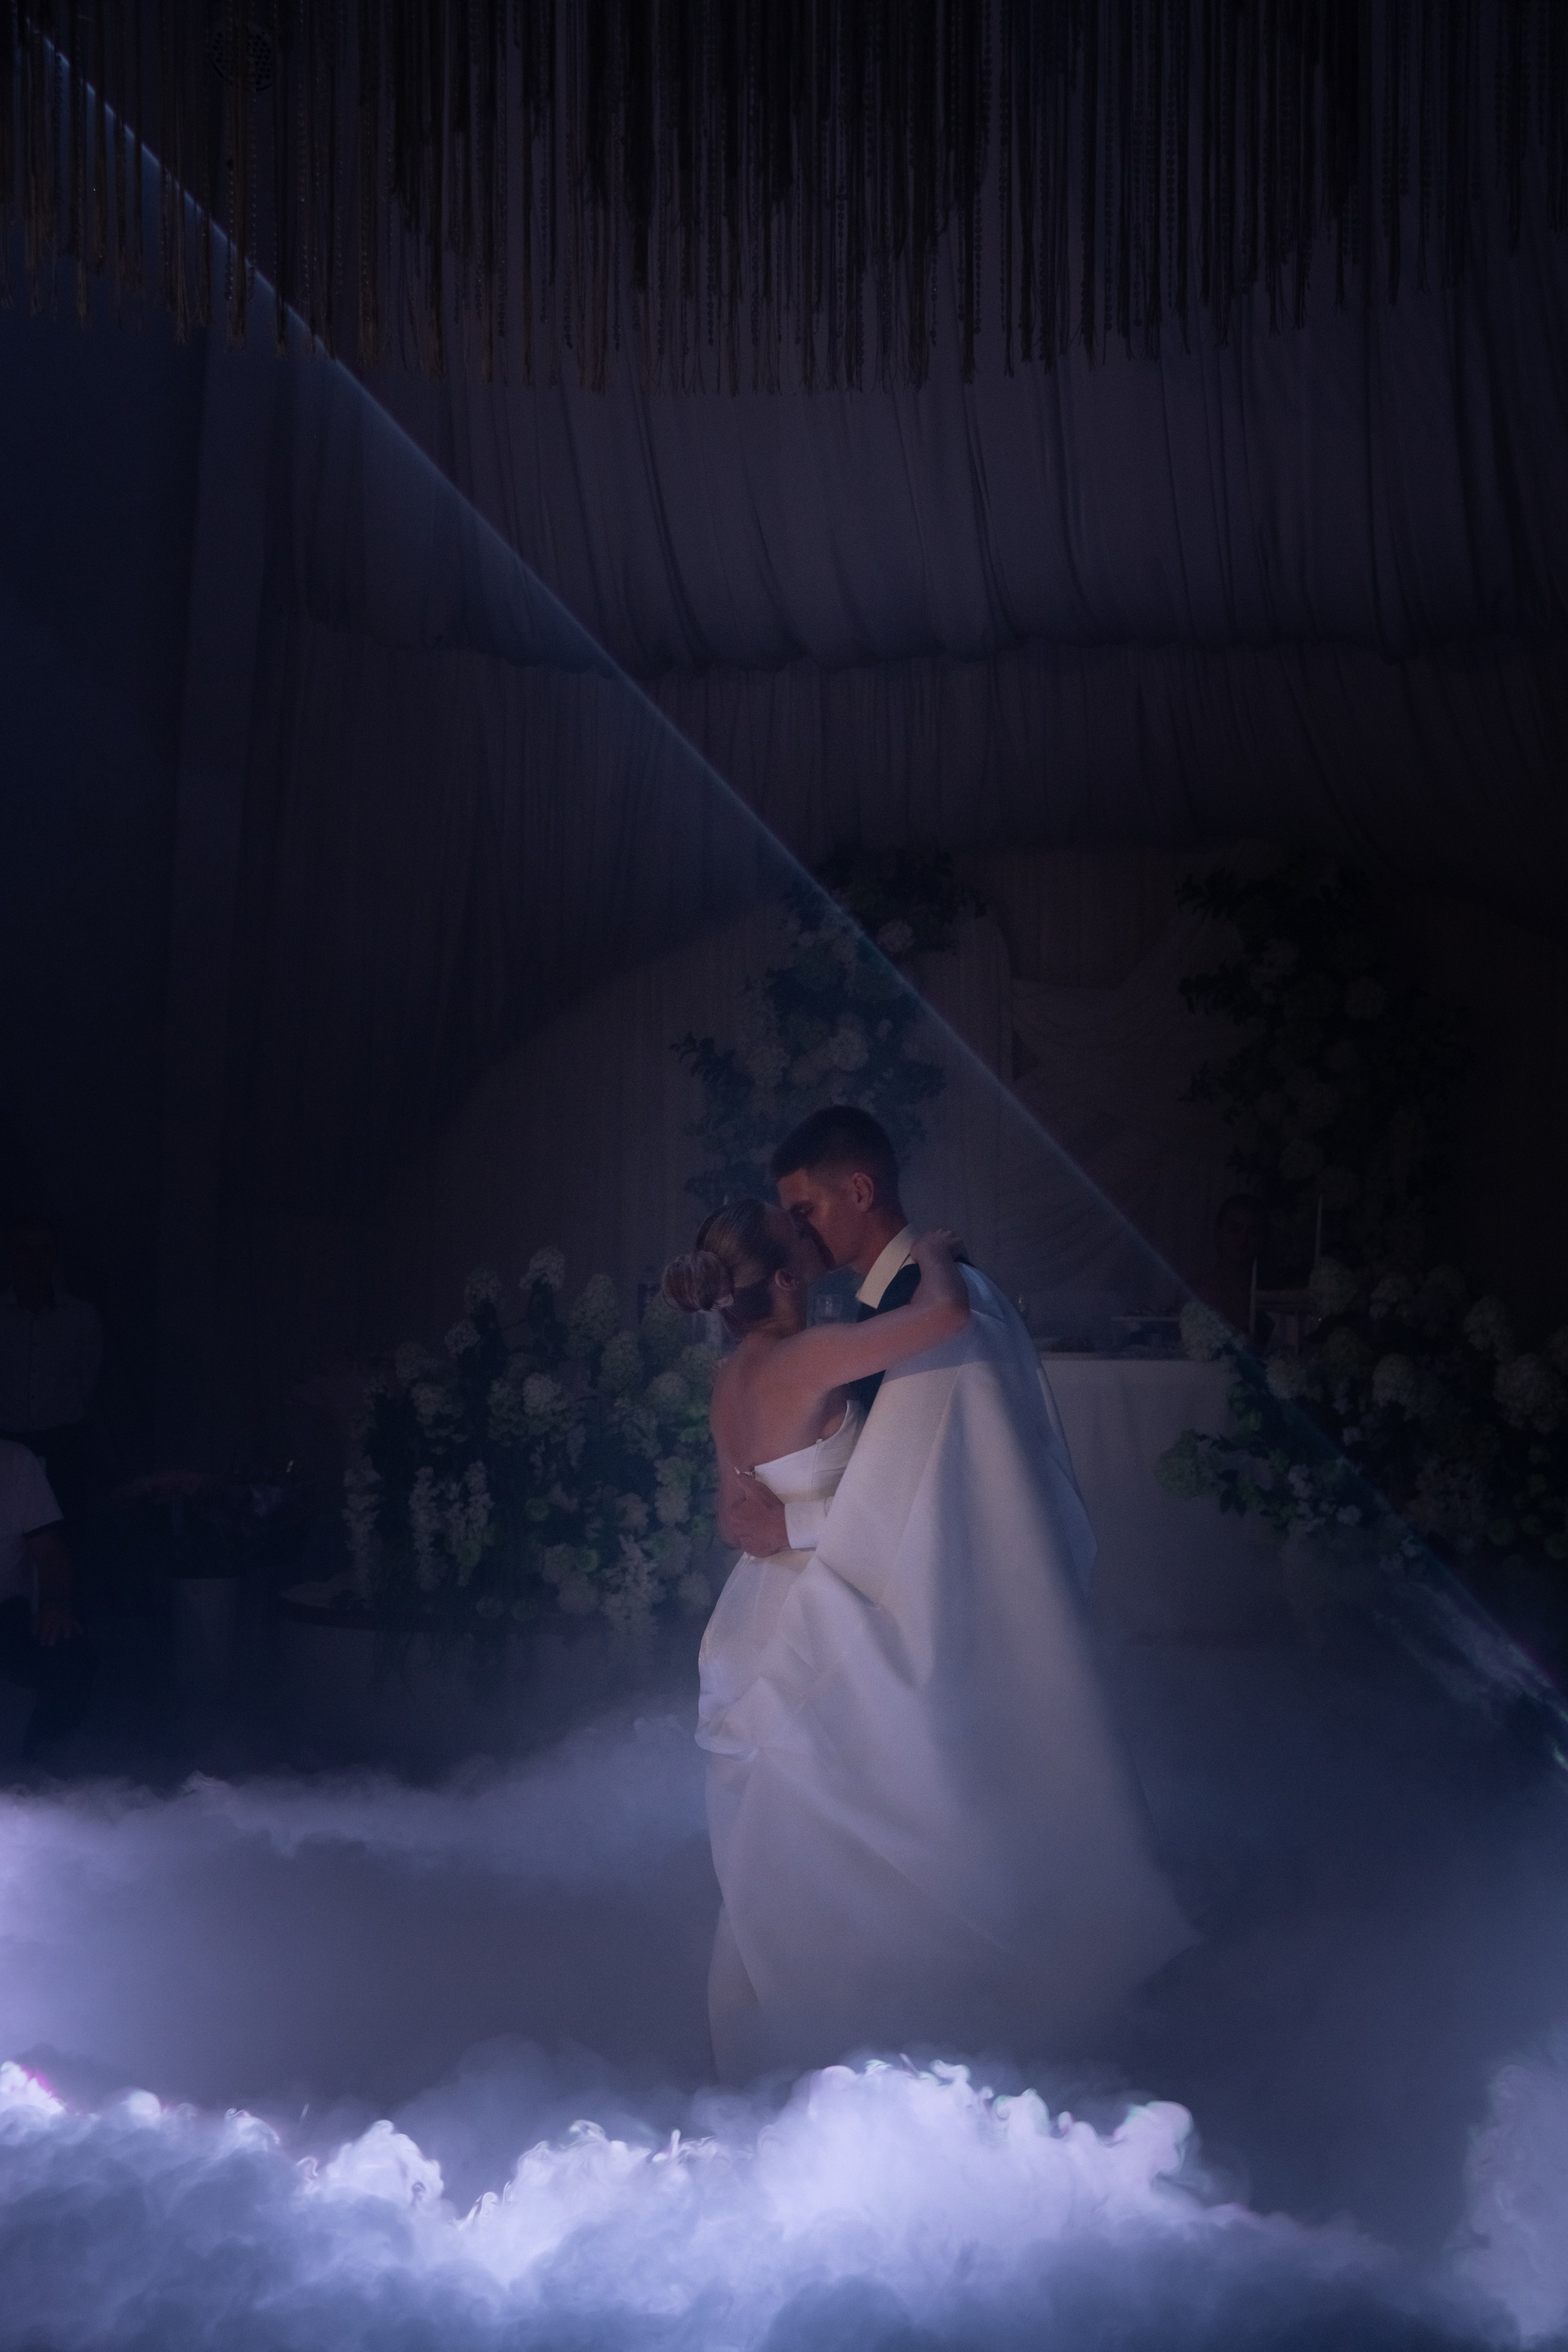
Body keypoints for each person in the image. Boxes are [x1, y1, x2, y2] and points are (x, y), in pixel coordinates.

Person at [673, 1106, 1194, 2081]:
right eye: (789, 1225)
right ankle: (884, 2021)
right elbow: (884, 1487)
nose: (802, 1235)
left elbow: (895, 1491)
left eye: (805, 1209)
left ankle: (812, 2021)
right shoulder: (868, 1327)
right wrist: (940, 1259)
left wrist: (785, 1526)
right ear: (777, 1278)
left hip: (770, 1616)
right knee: (883, 1820)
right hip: (826, 1612)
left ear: (858, 1191)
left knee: (813, 1838)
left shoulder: (770, 1363)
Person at [0, 1217, 104, 1514]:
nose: (35, 1260)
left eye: (44, 1250)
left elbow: (87, 1382)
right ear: (11, 1255)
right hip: (6, 1441)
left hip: (62, 1445)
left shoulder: (81, 1317)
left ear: (55, 1256)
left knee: (64, 1522)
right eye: (25, 1250)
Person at [0, 1437, 96, 1761]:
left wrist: (55, 1603)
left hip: (7, 1611)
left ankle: (40, 1761)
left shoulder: (12, 1462)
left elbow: (49, 1551)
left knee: (68, 1655)